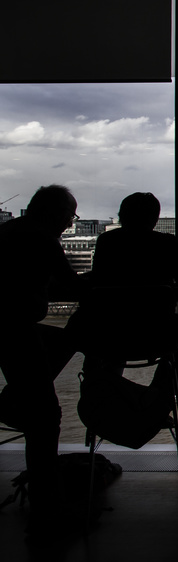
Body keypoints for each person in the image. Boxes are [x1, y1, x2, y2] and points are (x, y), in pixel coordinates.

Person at [0, 185, 81, 534]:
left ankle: (15, 399)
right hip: (14, 328)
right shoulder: (43, 240)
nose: (68, 224)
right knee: (46, 419)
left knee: (61, 338)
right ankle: (48, 508)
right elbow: (73, 287)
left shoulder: (7, 233)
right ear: (56, 215)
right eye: (69, 218)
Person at [71, 192, 178, 392]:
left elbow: (100, 279)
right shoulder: (166, 243)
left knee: (106, 354)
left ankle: (102, 395)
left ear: (122, 215)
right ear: (155, 219)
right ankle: (158, 396)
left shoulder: (107, 241)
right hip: (157, 332)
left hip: (109, 330)